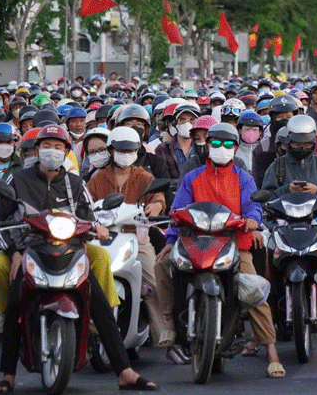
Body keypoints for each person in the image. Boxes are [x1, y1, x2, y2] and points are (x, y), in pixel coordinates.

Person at [0, 124, 157, 393]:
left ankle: (124, 370)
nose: (51, 152)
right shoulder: (18, 180)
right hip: (30, 249)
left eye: (58, 147)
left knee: (98, 301)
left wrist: (96, 227)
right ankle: (8, 374)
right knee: (17, 301)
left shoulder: (75, 183)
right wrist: (14, 252)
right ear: (36, 150)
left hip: (70, 248)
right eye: (46, 146)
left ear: (67, 151)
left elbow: (90, 217)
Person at [156, 123, 286, 379]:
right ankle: (170, 324)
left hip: (234, 243)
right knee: (161, 265)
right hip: (195, 242)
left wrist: (252, 219)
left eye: (228, 145)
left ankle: (271, 351)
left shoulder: (243, 177)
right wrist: (170, 240)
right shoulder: (192, 178)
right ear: (207, 146)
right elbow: (176, 213)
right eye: (215, 143)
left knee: (253, 289)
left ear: (236, 148)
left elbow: (253, 207)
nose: (221, 149)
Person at [87, 127, 167, 347]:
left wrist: (155, 206)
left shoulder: (144, 176)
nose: (125, 153)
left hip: (136, 237)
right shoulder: (98, 178)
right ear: (112, 151)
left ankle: (164, 335)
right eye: (121, 149)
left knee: (153, 283)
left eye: (130, 150)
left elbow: (159, 197)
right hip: (104, 237)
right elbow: (85, 203)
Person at [262, 115, 317, 198]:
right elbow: (266, 197)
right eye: (296, 144)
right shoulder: (277, 166)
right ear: (288, 142)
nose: (302, 148)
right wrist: (287, 190)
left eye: (307, 144)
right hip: (285, 210)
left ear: (313, 144)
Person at [155, 102, 199, 179]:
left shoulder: (202, 148)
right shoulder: (163, 149)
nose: (187, 124)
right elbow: (160, 179)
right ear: (174, 123)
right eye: (182, 119)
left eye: (192, 120)